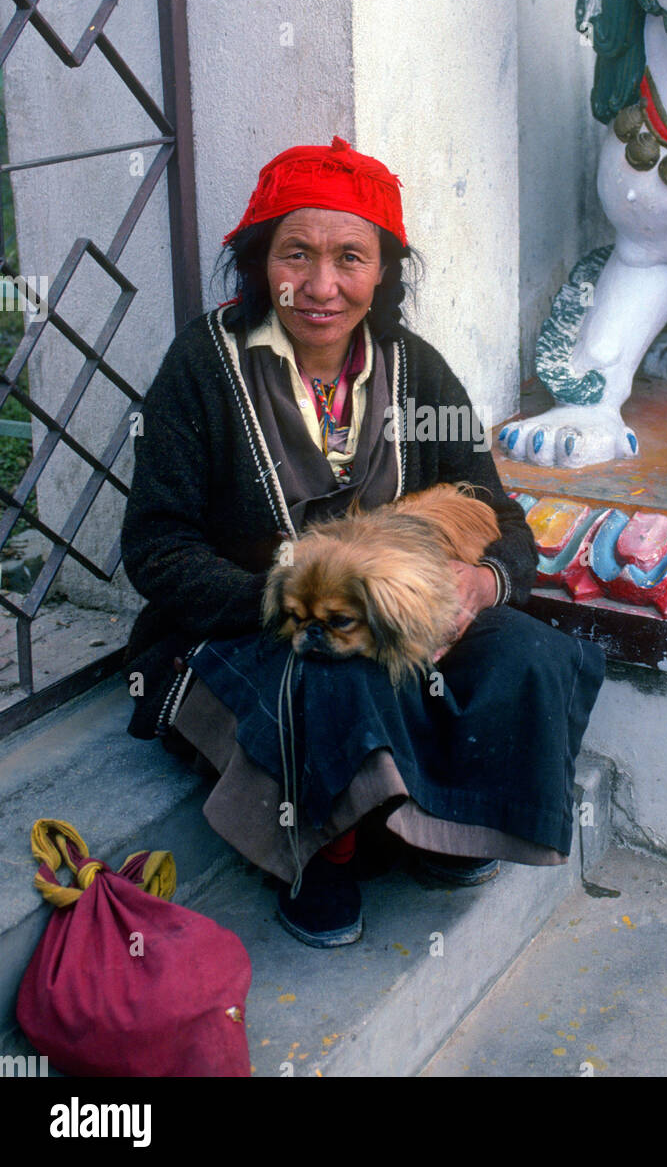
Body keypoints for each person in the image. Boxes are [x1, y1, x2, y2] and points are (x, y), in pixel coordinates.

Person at [121, 136, 605, 947]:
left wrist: (477, 587)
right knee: (334, 670)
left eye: (350, 257)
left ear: (382, 270)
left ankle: (450, 825)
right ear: (257, 262)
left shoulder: (414, 369)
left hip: (398, 616)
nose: (320, 286)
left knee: (526, 651)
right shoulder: (203, 366)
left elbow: (501, 518)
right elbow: (156, 545)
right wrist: (296, 602)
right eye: (295, 255)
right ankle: (324, 853)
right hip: (246, 625)